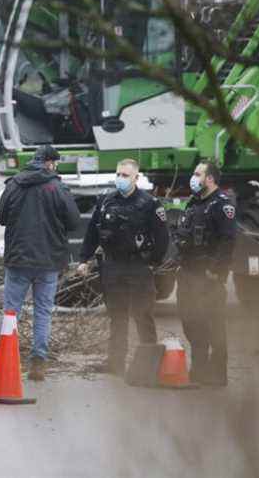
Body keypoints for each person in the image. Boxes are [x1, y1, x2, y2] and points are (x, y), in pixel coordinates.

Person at [77, 158, 169, 376]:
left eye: (125, 175)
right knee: (117, 317)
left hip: (138, 266)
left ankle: (149, 365)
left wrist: (151, 262)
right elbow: (92, 233)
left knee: (142, 315)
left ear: (136, 177)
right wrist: (84, 259)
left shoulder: (149, 204)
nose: (120, 179)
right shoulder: (106, 201)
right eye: (118, 174)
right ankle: (115, 363)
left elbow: (162, 238)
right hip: (113, 266)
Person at [0, 144, 81, 381]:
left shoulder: (14, 184)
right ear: (51, 163)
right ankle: (38, 362)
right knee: (42, 311)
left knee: (11, 311)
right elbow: (74, 222)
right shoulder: (58, 188)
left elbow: (1, 218)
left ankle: (4, 358)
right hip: (48, 261)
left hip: (18, 260)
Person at [175, 161, 236, 386]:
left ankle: (218, 374)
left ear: (209, 179)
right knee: (191, 322)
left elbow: (227, 241)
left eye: (197, 174)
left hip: (208, 277)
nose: (193, 177)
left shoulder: (221, 205)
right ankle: (199, 370)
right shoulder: (194, 203)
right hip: (188, 273)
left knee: (214, 325)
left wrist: (216, 272)